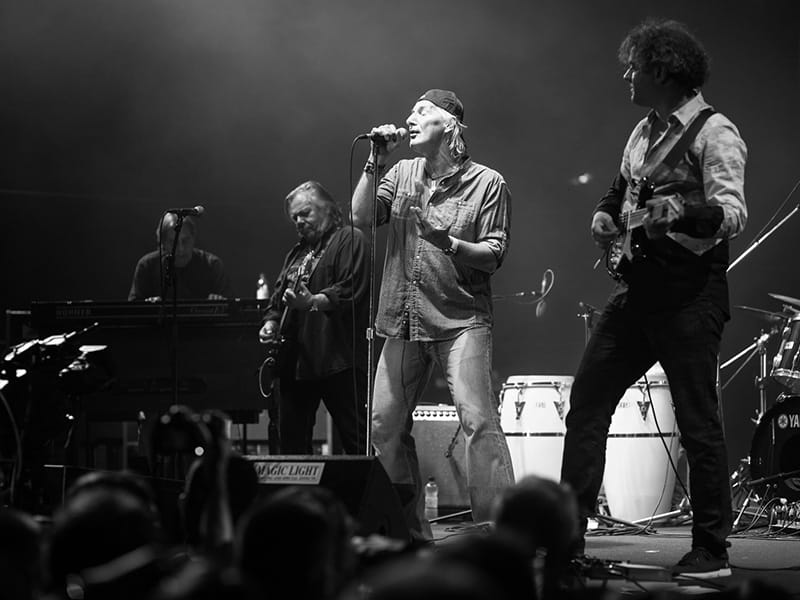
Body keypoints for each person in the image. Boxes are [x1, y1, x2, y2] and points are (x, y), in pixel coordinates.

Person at [560, 19, 747, 579]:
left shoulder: (716, 132)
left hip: (690, 295)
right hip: (637, 293)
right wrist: (603, 214)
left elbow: (732, 213)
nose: (627, 76)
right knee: (586, 405)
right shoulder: (642, 131)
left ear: (662, 71)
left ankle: (711, 550)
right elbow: (620, 191)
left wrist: (682, 213)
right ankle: (566, 539)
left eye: (634, 68)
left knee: (697, 422)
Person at [351, 89, 515, 538]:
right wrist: (375, 160)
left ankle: (499, 534)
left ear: (449, 126)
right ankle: (407, 534)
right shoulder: (401, 172)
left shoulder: (488, 183)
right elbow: (361, 218)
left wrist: (448, 242)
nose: (410, 116)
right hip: (403, 319)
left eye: (422, 111)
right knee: (384, 425)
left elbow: (493, 254)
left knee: (477, 421)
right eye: (410, 110)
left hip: (461, 320)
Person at [259, 181, 369, 455]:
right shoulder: (297, 253)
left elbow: (350, 290)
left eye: (305, 213)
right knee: (291, 446)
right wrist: (271, 323)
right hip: (296, 362)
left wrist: (312, 302)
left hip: (338, 359)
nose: (299, 221)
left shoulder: (350, 239)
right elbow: (277, 300)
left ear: (328, 209)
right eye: (294, 217)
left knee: (357, 441)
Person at [128, 212, 232, 301]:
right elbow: (132, 309)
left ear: (193, 238)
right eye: (173, 242)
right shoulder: (147, 266)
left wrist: (220, 302)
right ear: (162, 243)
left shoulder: (212, 265)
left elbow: (232, 307)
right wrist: (149, 307)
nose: (181, 248)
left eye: (185, 240)